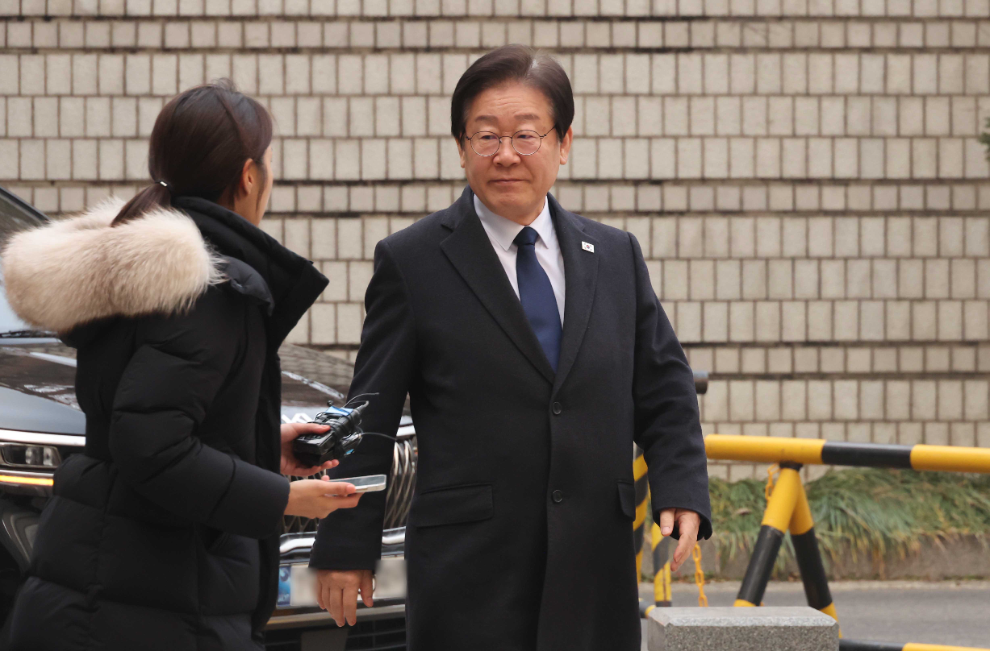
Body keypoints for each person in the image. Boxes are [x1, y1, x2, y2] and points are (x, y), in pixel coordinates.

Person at [309, 45, 712, 651]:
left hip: (593, 562)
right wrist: (346, 542)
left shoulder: (615, 257)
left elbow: (663, 384)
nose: (505, 155)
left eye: (526, 136)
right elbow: (369, 412)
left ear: (563, 143)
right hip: (470, 570)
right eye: (485, 136)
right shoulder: (413, 261)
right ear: (461, 146)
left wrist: (680, 485)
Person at [0, 80, 362, 651]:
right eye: (268, 164)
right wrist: (282, 499)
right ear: (248, 175)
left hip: (108, 578)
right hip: (159, 596)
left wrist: (263, 444)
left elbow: (153, 421)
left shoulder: (142, 270)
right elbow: (152, 444)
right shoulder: (209, 287)